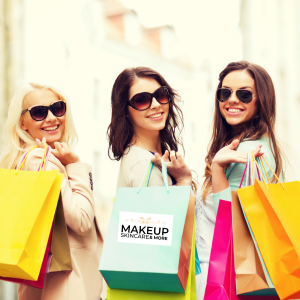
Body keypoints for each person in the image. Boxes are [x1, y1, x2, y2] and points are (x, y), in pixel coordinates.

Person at [0, 83, 103, 300]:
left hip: (50, 284)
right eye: (38, 112)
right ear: (22, 123)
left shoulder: (25, 159)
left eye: (57, 108)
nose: (51, 117)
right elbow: (83, 221)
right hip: (67, 285)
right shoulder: (41, 159)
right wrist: (75, 165)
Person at [195, 61, 284, 299]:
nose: (232, 100)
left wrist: (216, 169)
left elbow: (230, 223)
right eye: (225, 93)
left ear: (261, 100)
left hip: (233, 280)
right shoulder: (258, 145)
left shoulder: (248, 150)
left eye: (244, 94)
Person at [107, 66, 194, 190]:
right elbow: (171, 210)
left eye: (161, 94)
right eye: (141, 100)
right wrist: (183, 181)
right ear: (125, 110)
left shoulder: (149, 157)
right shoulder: (143, 163)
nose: (156, 105)